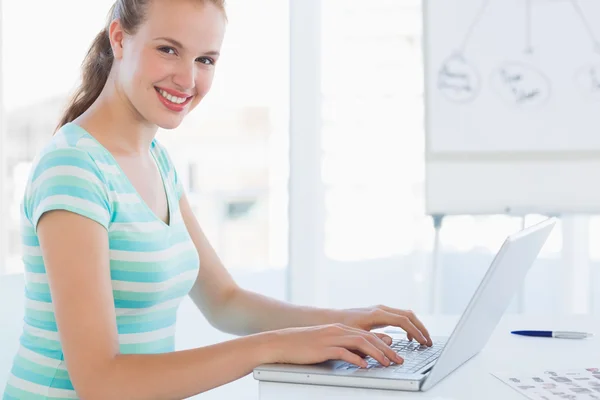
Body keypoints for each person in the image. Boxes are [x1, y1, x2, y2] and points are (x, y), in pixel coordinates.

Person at [2, 0, 432, 399]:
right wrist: (270, 347)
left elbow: (225, 301)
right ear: (118, 38)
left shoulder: (156, 160)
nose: (188, 79)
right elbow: (101, 381)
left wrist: (344, 321)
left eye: (205, 59)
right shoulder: (74, 170)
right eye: (168, 49)